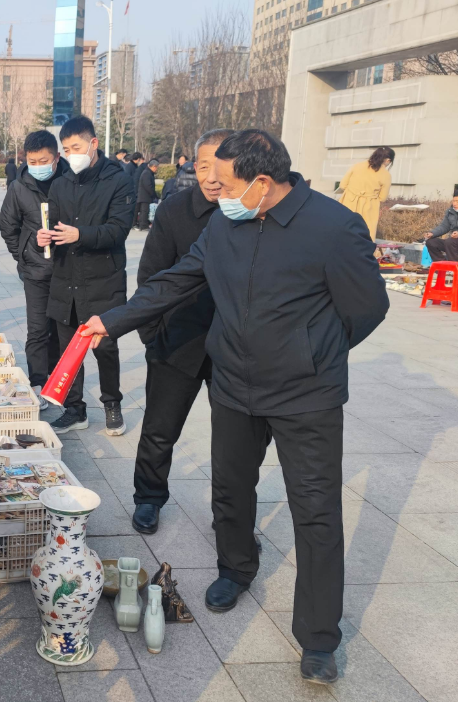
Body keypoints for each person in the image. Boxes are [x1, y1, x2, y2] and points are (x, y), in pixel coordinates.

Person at [80, 129, 389, 685]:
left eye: (227, 183)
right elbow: (176, 280)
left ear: (263, 182)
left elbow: (367, 308)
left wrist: (312, 352)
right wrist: (114, 319)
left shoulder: (333, 227)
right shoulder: (227, 222)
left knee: (315, 512)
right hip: (234, 386)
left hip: (306, 395)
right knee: (231, 485)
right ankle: (235, 568)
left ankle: (319, 638)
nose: (215, 190)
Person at [129, 129, 233, 535]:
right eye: (202, 165)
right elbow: (150, 275)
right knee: (159, 429)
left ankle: (232, 518)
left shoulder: (248, 212)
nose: (210, 177)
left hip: (232, 346)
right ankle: (148, 499)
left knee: (234, 444)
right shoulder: (174, 210)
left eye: (219, 167)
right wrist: (153, 335)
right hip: (178, 342)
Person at [36, 115, 133, 436]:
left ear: (93, 143)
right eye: (65, 149)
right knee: (69, 350)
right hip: (66, 279)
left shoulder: (118, 180)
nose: (69, 154)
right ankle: (75, 409)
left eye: (75, 147)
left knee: (104, 347)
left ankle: (112, 403)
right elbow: (57, 227)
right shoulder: (61, 183)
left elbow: (118, 231)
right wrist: (45, 238)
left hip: (102, 279)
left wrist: (81, 235)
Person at [0, 130, 66, 406]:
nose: (37, 166)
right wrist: (25, 255)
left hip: (67, 271)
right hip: (35, 272)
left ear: (56, 158)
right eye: (32, 161)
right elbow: (8, 228)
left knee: (62, 332)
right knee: (38, 330)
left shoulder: (69, 182)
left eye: (43, 160)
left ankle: (60, 383)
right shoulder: (19, 187)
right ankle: (38, 385)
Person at [338, 146, 394, 240]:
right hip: (369, 207)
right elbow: (383, 197)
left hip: (348, 202)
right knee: (365, 235)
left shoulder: (357, 165)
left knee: (342, 230)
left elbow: (342, 185)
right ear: (388, 160)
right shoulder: (386, 175)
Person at [423, 190, 458, 261]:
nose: (454, 203)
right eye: (453, 201)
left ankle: (454, 267)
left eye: (457, 201)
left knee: (450, 242)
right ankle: (442, 266)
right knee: (431, 242)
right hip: (453, 242)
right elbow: (444, 226)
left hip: (452, 242)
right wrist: (432, 233)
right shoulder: (450, 211)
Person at [135, 159, 159, 230]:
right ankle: (143, 225)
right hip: (144, 196)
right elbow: (148, 186)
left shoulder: (148, 172)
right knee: (144, 211)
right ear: (154, 166)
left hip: (144, 195)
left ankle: (142, 224)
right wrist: (153, 194)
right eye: (156, 167)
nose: (156, 169)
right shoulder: (147, 173)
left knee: (144, 210)